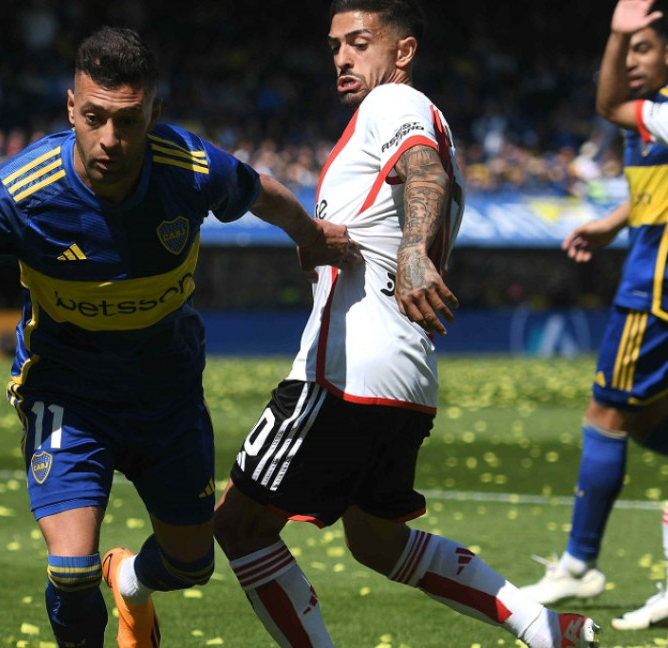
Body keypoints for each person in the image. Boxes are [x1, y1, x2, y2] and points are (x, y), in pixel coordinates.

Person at [0, 26, 357, 648]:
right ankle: (95, 579)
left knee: (192, 563)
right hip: (68, 392)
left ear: (153, 114)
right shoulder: (16, 191)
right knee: (70, 567)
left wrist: (309, 233)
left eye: (129, 121)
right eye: (94, 117)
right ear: (70, 109)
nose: (110, 138)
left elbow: (258, 192)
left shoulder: (190, 167)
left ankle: (130, 576)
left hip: (167, 393)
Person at [211, 1, 601, 646]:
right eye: (335, 44)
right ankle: (543, 628)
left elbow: (425, 171)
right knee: (377, 542)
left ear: (403, 52)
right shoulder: (407, 118)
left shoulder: (393, 106)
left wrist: (415, 253)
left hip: (343, 372)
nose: (341, 56)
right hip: (405, 380)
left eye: (359, 42)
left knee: (239, 527)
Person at [522, 0, 668, 632]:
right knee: (646, 424)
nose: (631, 61)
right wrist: (613, 222)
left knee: (607, 412)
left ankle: (580, 561)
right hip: (648, 270)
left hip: (656, 291)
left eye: (643, 48)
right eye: (629, 49)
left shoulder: (660, 109)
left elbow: (607, 104)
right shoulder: (656, 118)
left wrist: (614, 32)